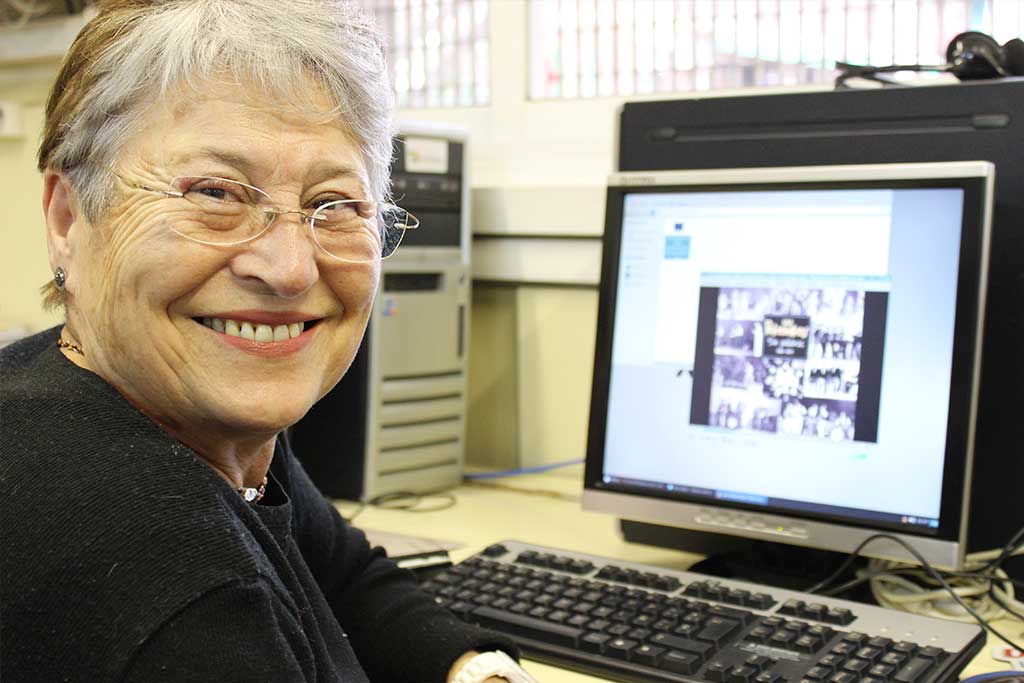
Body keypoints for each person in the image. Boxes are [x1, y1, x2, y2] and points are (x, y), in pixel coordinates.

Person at [0, 1, 535, 681]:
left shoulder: (181, 425)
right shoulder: (180, 586)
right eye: (217, 193)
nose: (289, 267)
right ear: (69, 219)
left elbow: (343, 571)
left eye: (334, 205)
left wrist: (473, 666)